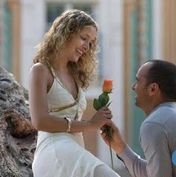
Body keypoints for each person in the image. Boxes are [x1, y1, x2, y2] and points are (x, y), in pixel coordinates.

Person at [29, 9, 120, 177]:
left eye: (91, 42)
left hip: (74, 148)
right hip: (53, 149)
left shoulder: (75, 75)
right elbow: (39, 121)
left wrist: (101, 121)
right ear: (66, 33)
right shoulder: (40, 70)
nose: (86, 46)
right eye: (83, 38)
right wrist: (91, 124)